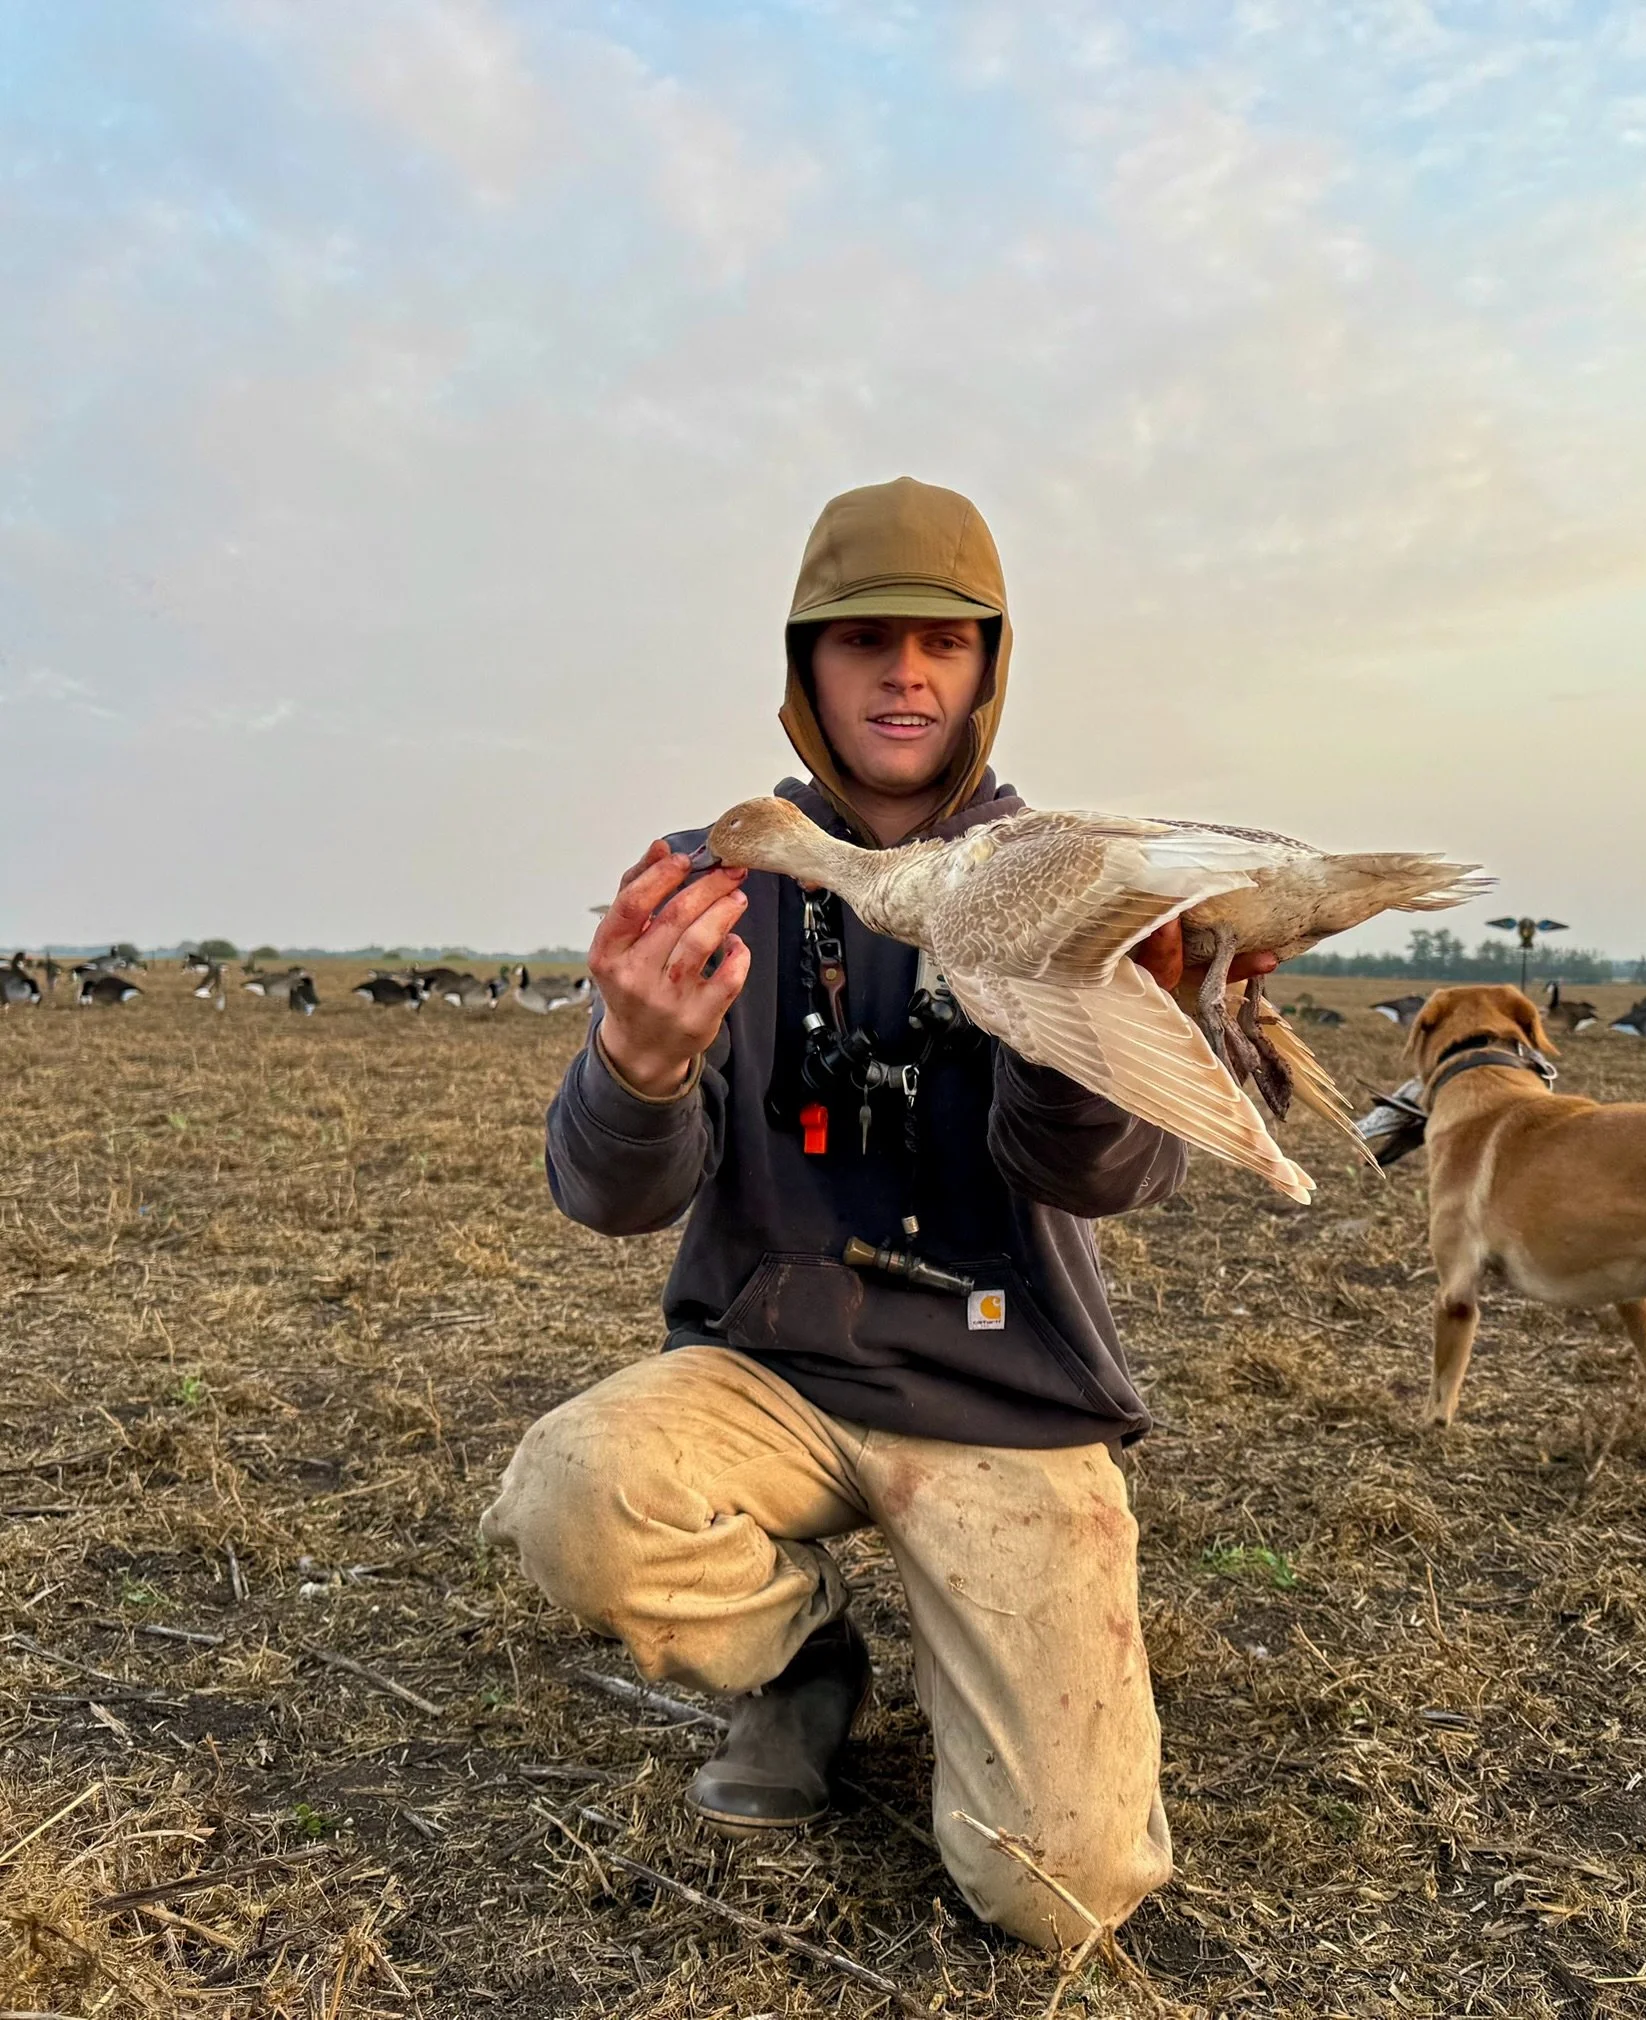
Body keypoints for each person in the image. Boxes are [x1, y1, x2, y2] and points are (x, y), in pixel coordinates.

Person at [480, 476, 1270, 1949]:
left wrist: (1084, 1039)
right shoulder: (714, 882)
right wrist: (636, 1067)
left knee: (1062, 1895)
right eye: (862, 640)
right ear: (804, 666)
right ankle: (803, 1665)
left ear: (988, 668)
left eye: (943, 642)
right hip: (773, 1372)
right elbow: (611, 1196)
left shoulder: (1070, 879)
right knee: (578, 1490)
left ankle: (993, 1664)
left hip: (1003, 1394)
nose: (905, 673)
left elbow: (1113, 1179)